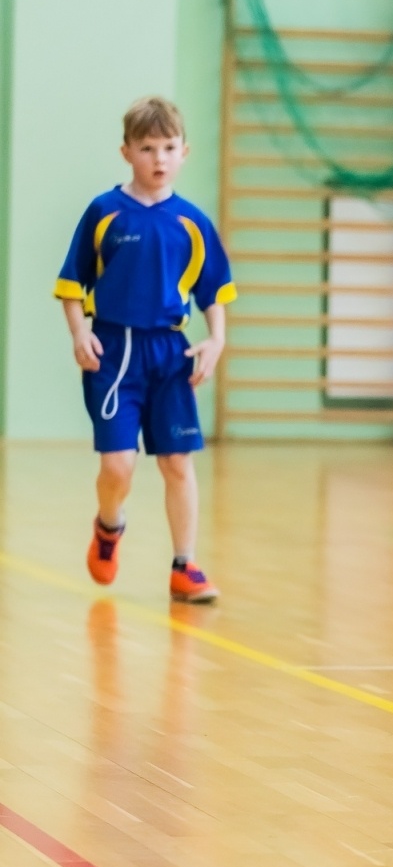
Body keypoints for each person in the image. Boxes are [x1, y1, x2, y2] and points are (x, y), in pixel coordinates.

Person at [55, 97, 236, 602]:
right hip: (113, 352)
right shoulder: (104, 212)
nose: (159, 158)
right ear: (127, 152)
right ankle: (109, 526)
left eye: (169, 148)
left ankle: (185, 565)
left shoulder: (192, 222)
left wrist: (216, 338)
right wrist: (79, 332)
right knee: (118, 466)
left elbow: (214, 290)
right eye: (148, 148)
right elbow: (72, 283)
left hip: (170, 354)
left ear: (184, 152)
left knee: (177, 462)